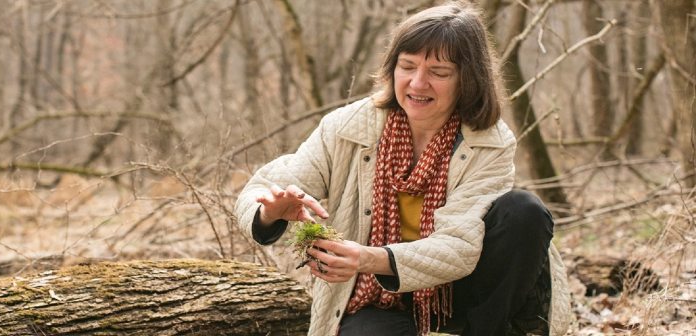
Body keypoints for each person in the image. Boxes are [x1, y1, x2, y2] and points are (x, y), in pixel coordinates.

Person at [235, 2, 571, 335]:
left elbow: (458, 247)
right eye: (407, 66)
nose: (417, 83)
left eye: (438, 73)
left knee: (523, 210)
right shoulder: (348, 127)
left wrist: (367, 257)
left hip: (465, 293)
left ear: (468, 79)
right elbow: (259, 189)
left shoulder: (490, 142)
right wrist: (270, 212)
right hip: (378, 297)